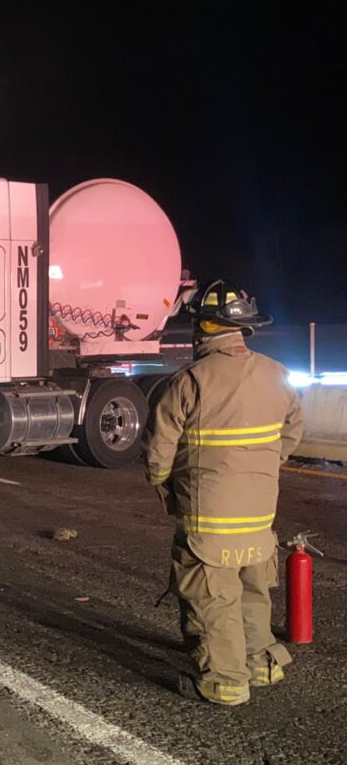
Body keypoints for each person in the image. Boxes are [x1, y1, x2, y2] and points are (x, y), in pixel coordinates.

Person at [145, 280, 304, 706]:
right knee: (252, 591)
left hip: (208, 520)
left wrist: (165, 486)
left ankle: (224, 683)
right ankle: (261, 664)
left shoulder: (190, 381)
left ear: (204, 328)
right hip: (258, 516)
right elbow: (289, 437)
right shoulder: (278, 374)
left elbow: (158, 453)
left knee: (212, 597)